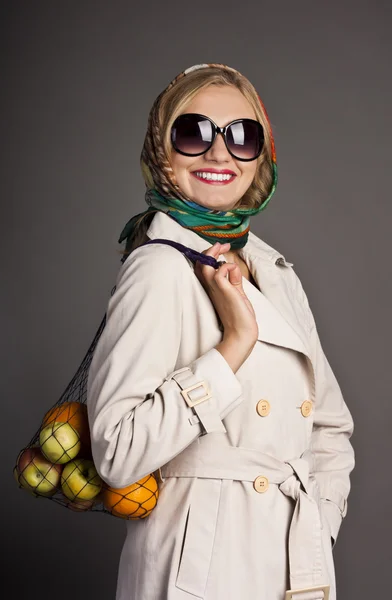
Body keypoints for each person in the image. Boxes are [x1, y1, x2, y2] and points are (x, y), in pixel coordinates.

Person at [86, 63, 355, 600]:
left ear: (262, 157)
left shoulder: (272, 267)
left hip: (292, 565)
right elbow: (116, 452)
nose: (218, 153)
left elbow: (330, 426)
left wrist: (315, 528)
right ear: (163, 152)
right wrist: (233, 347)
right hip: (202, 570)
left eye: (242, 136)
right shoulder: (157, 267)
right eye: (194, 133)